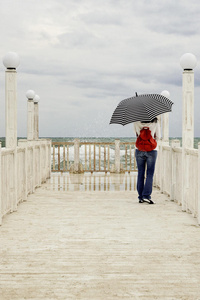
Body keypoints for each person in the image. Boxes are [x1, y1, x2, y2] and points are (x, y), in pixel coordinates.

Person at [134, 118, 161, 204]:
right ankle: (146, 196)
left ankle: (140, 197)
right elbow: (158, 136)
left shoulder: (136, 121)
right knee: (150, 174)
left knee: (140, 173)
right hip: (152, 150)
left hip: (139, 149)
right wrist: (152, 141)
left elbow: (137, 134)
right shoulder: (155, 122)